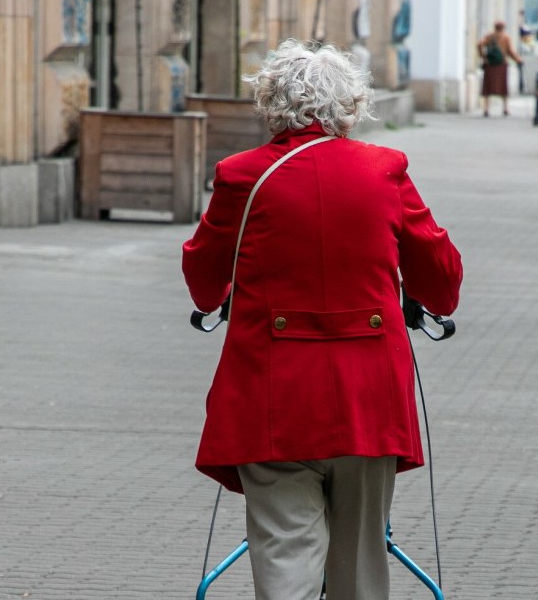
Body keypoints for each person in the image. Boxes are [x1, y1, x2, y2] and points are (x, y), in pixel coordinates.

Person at [182, 39, 463, 600]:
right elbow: (442, 278)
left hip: (272, 398)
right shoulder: (385, 169)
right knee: (361, 562)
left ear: (270, 104)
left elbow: (202, 277)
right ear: (350, 106)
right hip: (368, 400)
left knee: (285, 554)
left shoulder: (241, 175)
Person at [478, 20, 523, 116]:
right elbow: (510, 51)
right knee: (503, 87)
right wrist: (518, 60)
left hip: (490, 65)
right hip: (501, 64)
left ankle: (486, 108)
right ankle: (505, 108)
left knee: (488, 87)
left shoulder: (489, 36)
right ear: (503, 28)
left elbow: (479, 44)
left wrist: (484, 57)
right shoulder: (505, 38)